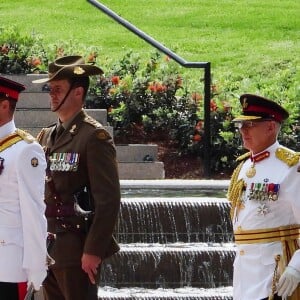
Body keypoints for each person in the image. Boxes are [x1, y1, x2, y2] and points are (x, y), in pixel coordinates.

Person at [33, 55, 121, 300]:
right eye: (50, 89)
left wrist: (93, 250)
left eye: (58, 89)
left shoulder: (93, 137)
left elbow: (108, 200)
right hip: (47, 247)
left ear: (78, 92)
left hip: (76, 248)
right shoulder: (46, 136)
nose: (52, 94)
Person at [227, 93, 300, 300]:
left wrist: (297, 267)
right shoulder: (243, 166)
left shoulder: (291, 167)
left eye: (250, 125)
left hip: (277, 273)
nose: (243, 131)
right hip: (245, 274)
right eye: (241, 125)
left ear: (270, 127)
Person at [0, 76, 48, 299]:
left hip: (8, 265)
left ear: (4, 104)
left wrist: (36, 268)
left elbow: (33, 213)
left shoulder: (25, 151)